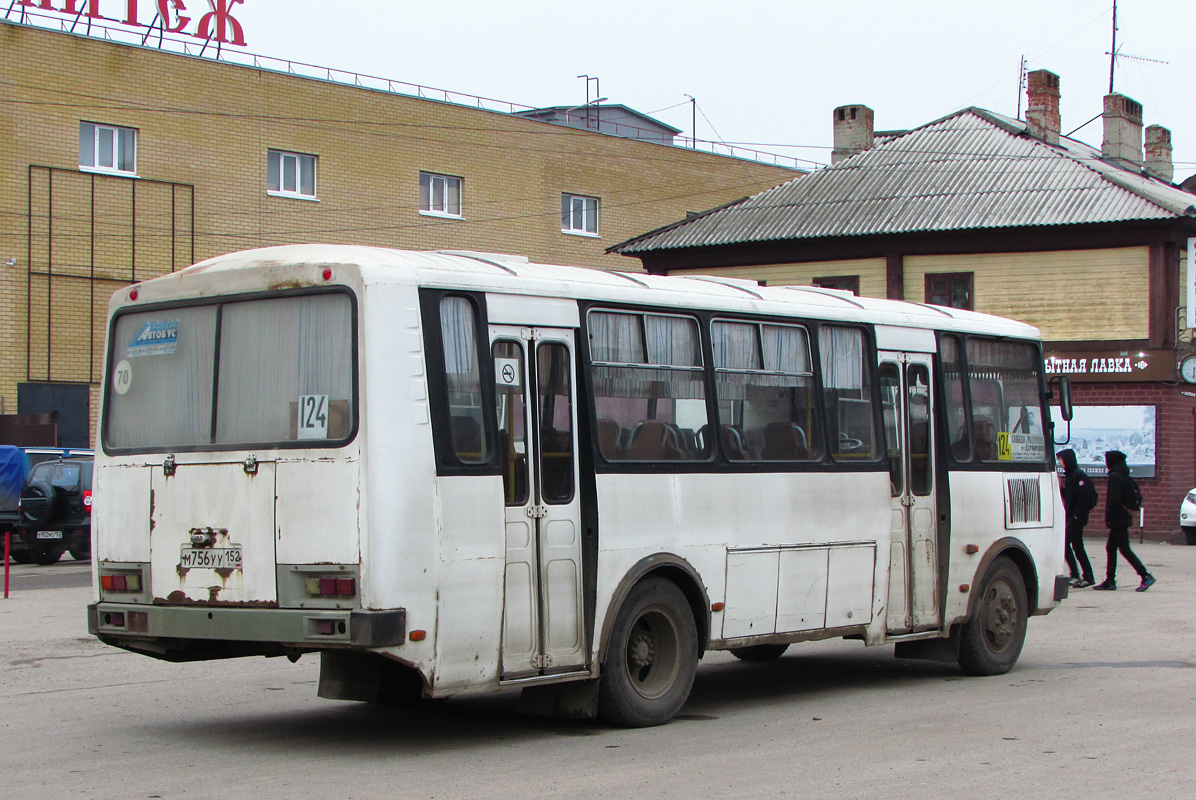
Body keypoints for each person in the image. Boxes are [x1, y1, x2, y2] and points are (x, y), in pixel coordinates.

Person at [1093, 450, 1156, 592]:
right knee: (1111, 548)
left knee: (1124, 549)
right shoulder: (1124, 474)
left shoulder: (1115, 477)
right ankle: (1110, 580)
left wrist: (1109, 516)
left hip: (1118, 519)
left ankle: (1145, 575)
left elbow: (1114, 499)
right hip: (1123, 517)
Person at [1056, 448, 1095, 588]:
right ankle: (1088, 576)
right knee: (1078, 547)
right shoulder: (1071, 476)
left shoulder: (1079, 476)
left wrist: (1077, 515)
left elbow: (1084, 498)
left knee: (1064, 544)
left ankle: (1075, 574)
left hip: (1077, 517)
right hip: (1072, 516)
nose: (1060, 462)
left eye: (1061, 459)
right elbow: (1070, 496)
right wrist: (1061, 487)